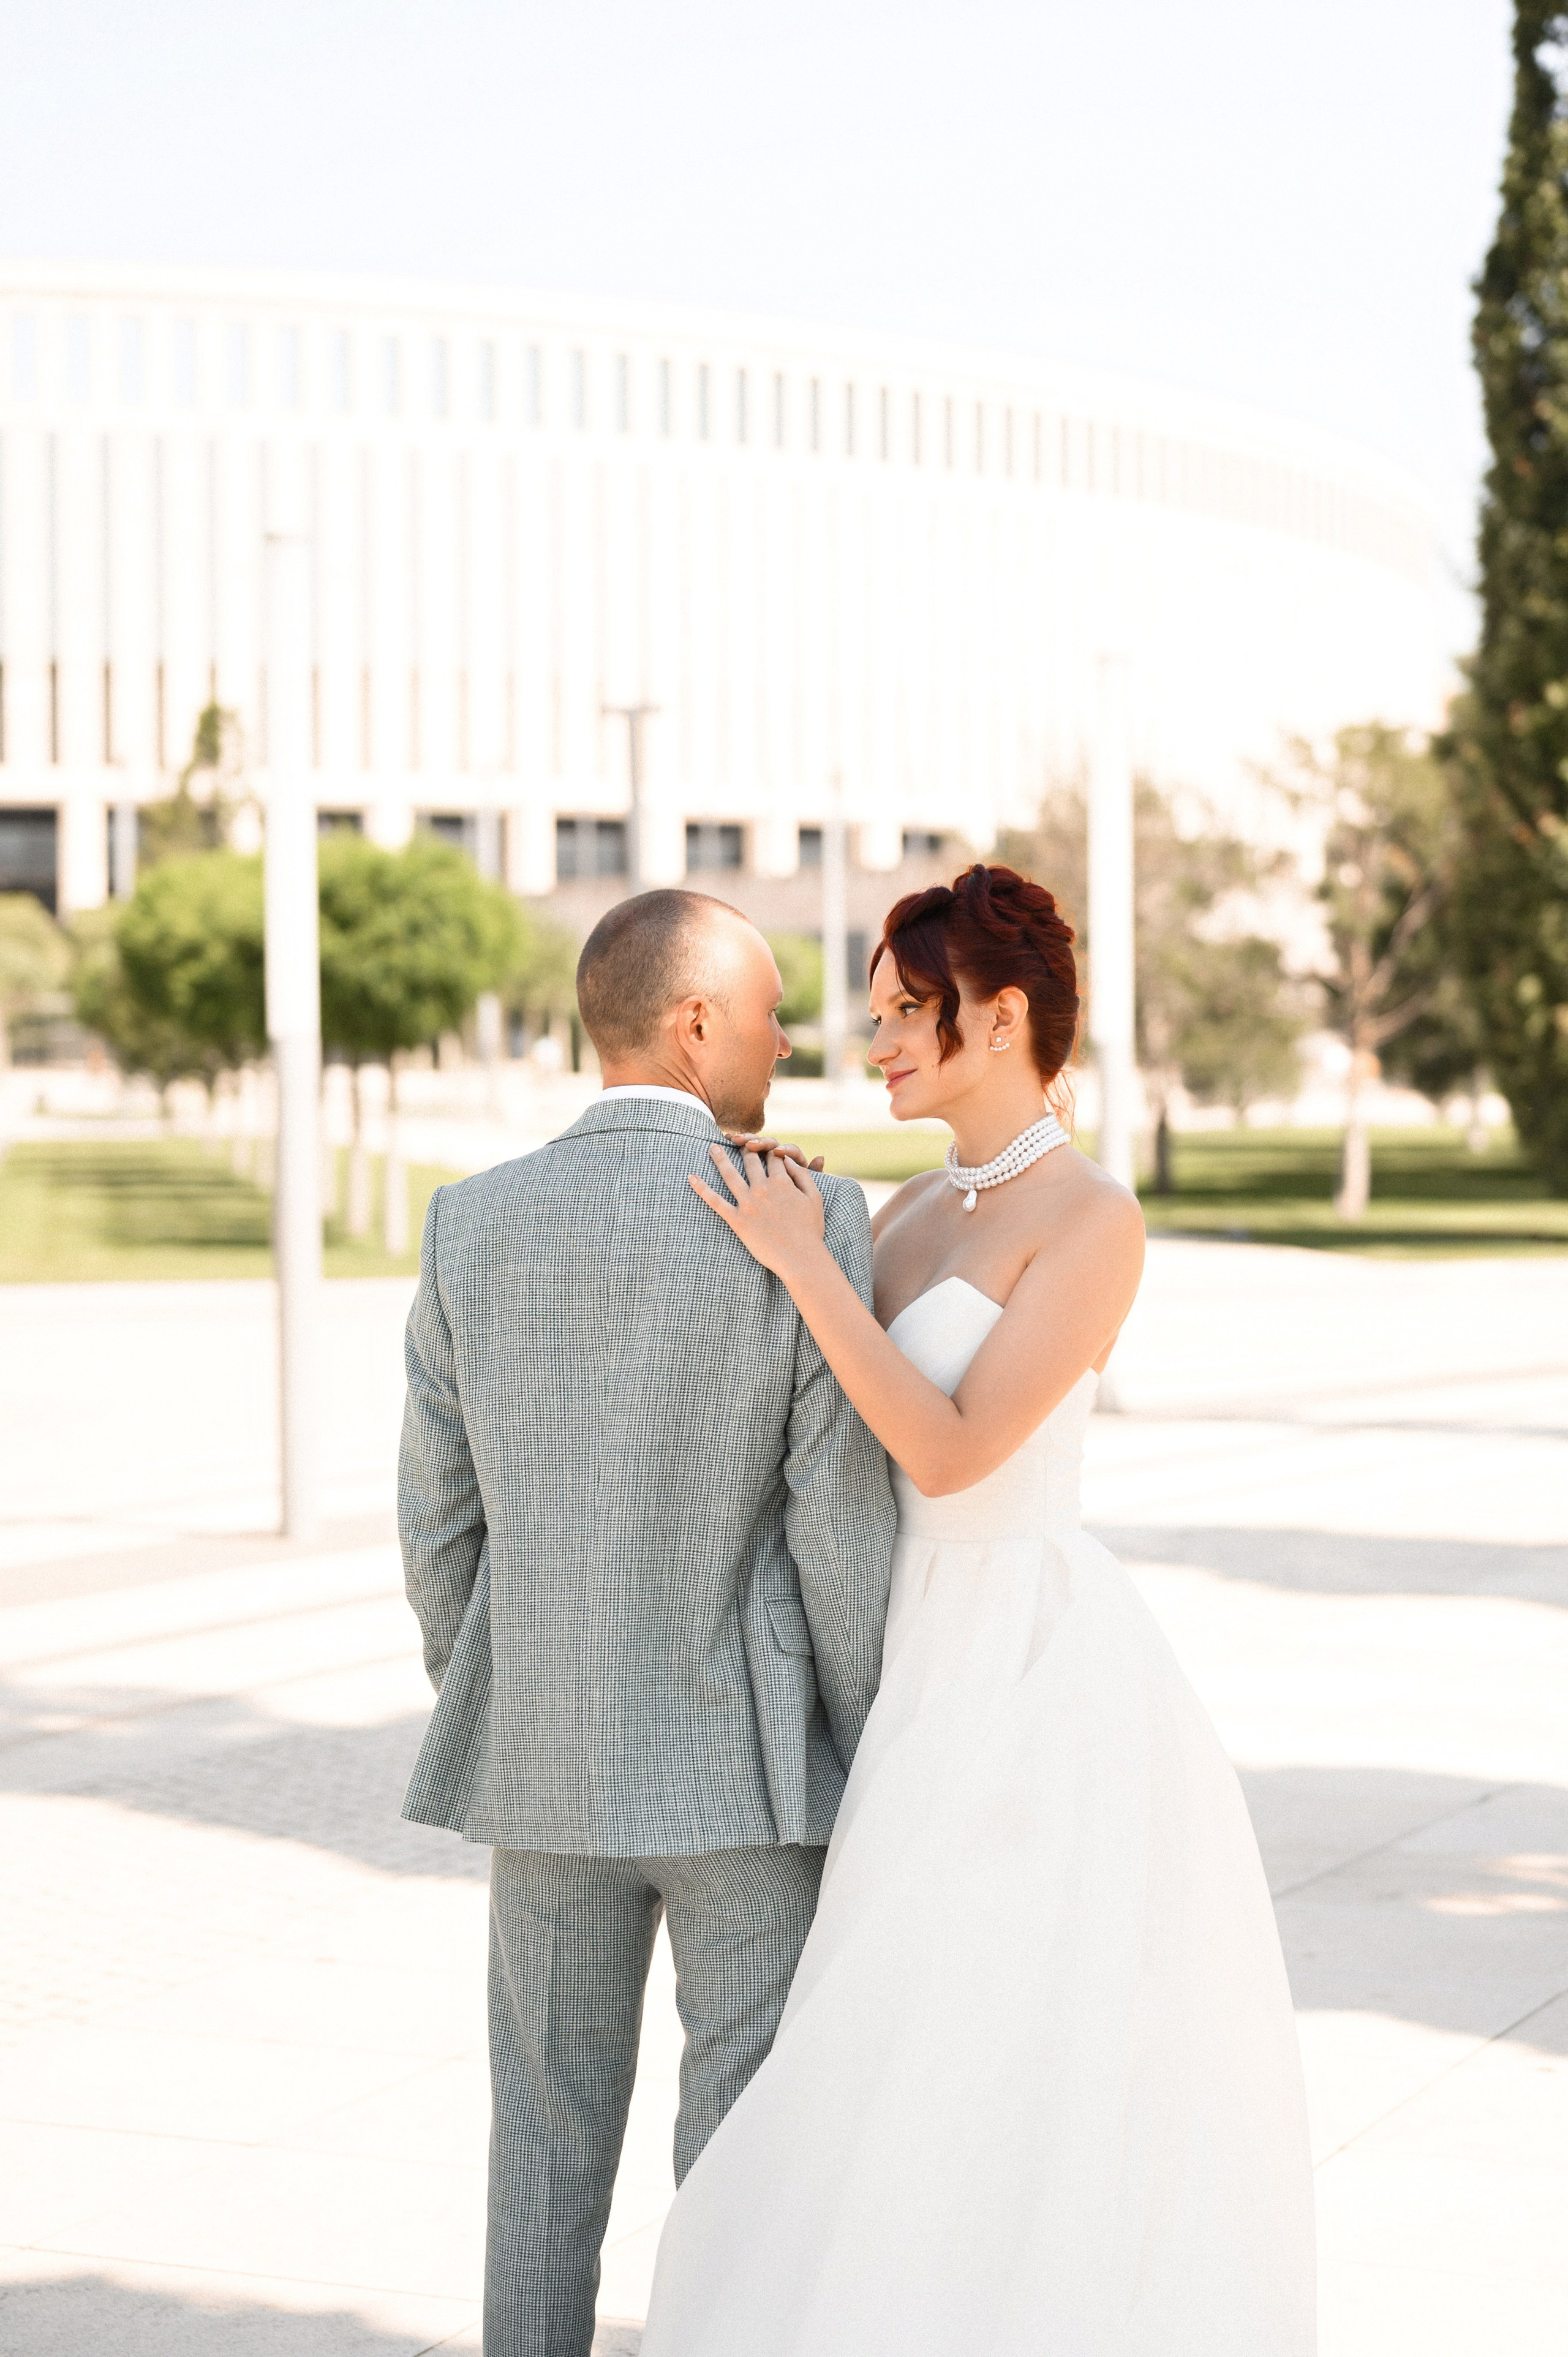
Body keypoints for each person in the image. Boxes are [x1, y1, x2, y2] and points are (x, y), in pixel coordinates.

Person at [641, 864, 1316, 2356]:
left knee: (984, 2024)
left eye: (904, 1011)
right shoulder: (900, 1206)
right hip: (902, 1645)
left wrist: (807, 1267)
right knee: (890, 2033)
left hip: (1024, 1665)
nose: (873, 1037)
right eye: (875, 1012)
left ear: (1000, 1016)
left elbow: (950, 1445)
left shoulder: (1090, 1221)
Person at [397, 888, 895, 2357]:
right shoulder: (809, 1216)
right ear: (692, 1025)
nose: (788, 1037)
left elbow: (437, 1517)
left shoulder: (467, 1222)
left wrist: (505, 1683)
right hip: (743, 1781)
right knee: (740, 2164)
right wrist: (869, 1749)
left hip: (543, 1770)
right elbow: (837, 1527)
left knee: (540, 2148)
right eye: (765, 1012)